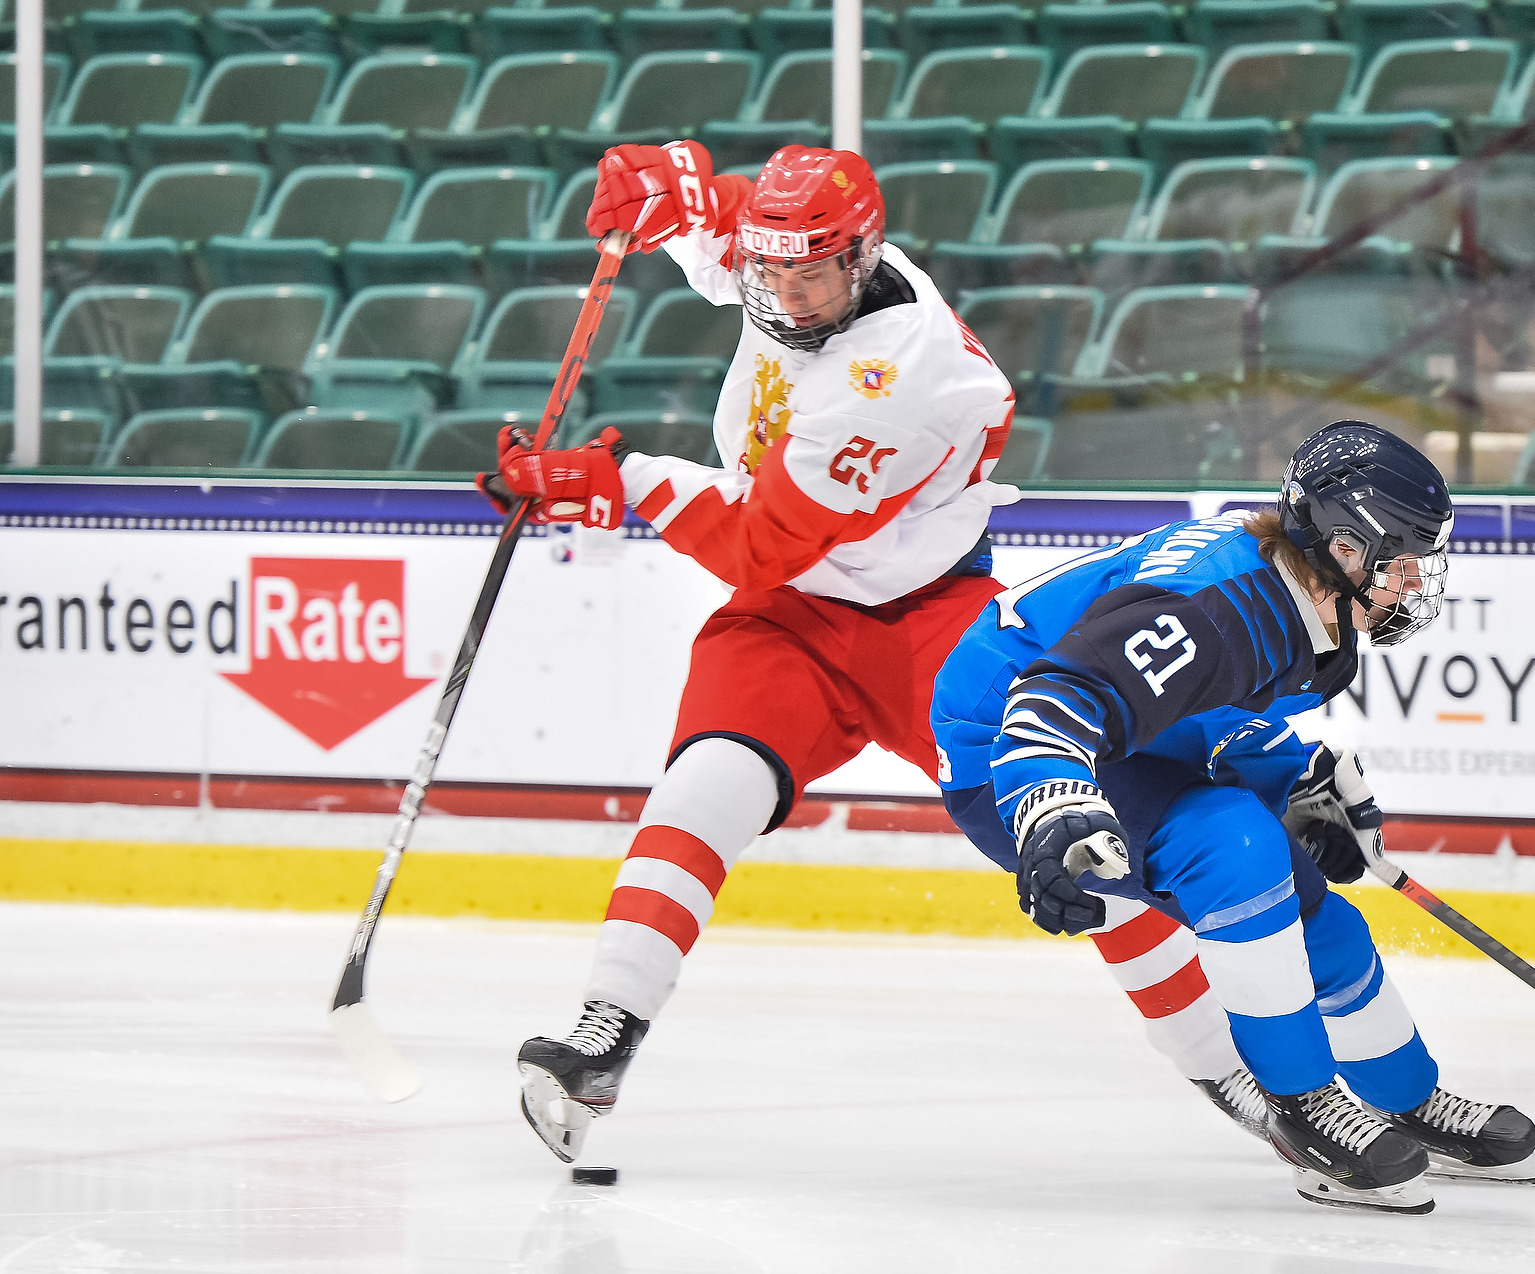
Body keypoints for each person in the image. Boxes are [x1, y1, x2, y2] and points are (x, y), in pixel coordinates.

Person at [490, 141, 1257, 1162]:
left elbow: (761, 540)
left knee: (1070, 834)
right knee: (702, 787)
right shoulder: (794, 267)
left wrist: (616, 482)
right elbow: (733, 227)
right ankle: (604, 1033)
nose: (788, 296)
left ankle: (1239, 1070)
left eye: (813, 275)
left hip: (930, 619)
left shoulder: (896, 377)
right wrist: (673, 193)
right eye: (775, 272)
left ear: (860, 260)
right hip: (789, 619)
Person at [930, 420, 1535, 1213]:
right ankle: (1303, 1111)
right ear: (1344, 547)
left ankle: (1408, 1101)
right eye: (1398, 562)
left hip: (1119, 731)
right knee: (1235, 847)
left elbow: (1205, 705)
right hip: (1011, 747)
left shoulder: (1296, 601)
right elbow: (1059, 698)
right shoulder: (1216, 607)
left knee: (1322, 921)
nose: (1410, 583)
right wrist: (1051, 804)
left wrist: (1291, 780)